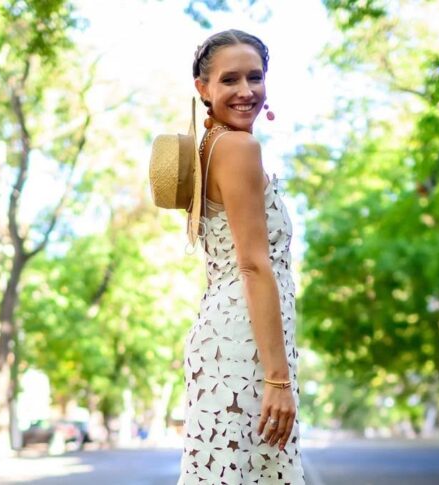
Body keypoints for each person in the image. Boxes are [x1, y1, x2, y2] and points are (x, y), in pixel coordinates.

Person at [178, 29, 305, 484]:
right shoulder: (238, 147)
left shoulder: (211, 147)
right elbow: (252, 265)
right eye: (229, 79)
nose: (246, 90)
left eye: (255, 77)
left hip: (227, 335)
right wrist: (278, 378)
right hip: (246, 344)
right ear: (203, 89)